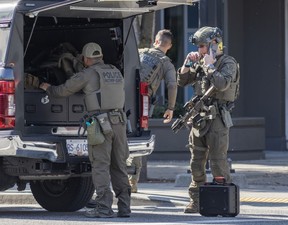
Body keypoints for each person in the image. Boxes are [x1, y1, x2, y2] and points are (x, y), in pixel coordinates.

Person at [40, 42, 131, 218]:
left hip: (99, 123)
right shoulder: (115, 71)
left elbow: (63, 90)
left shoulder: (86, 74)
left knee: (100, 165)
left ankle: (104, 208)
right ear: (101, 56)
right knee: (119, 165)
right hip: (119, 122)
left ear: (86, 59)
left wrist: (47, 88)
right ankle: (125, 207)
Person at [176, 26, 239, 213]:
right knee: (196, 160)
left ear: (214, 44)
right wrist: (187, 64)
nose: (199, 50)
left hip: (218, 117)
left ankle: (223, 201)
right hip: (199, 117)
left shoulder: (228, 62)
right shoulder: (201, 61)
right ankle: (196, 200)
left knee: (218, 160)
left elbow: (222, 84)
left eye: (202, 46)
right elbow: (183, 81)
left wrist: (210, 66)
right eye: (198, 47)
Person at [126, 29, 178, 193]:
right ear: (169, 46)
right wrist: (170, 108)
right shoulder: (166, 62)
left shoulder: (139, 52)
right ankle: (132, 181)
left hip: (122, 97)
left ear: (156, 41)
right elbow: (172, 85)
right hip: (142, 102)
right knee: (138, 137)